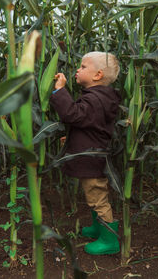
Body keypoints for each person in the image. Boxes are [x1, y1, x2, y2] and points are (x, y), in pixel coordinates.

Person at [50, 51, 121, 255]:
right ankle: (98, 228)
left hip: (92, 158)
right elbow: (90, 126)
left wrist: (60, 91)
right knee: (93, 195)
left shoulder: (95, 99)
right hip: (90, 154)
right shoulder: (98, 98)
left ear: (98, 75)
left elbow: (73, 115)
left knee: (97, 197)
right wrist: (71, 138)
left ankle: (109, 241)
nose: (77, 70)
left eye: (82, 67)